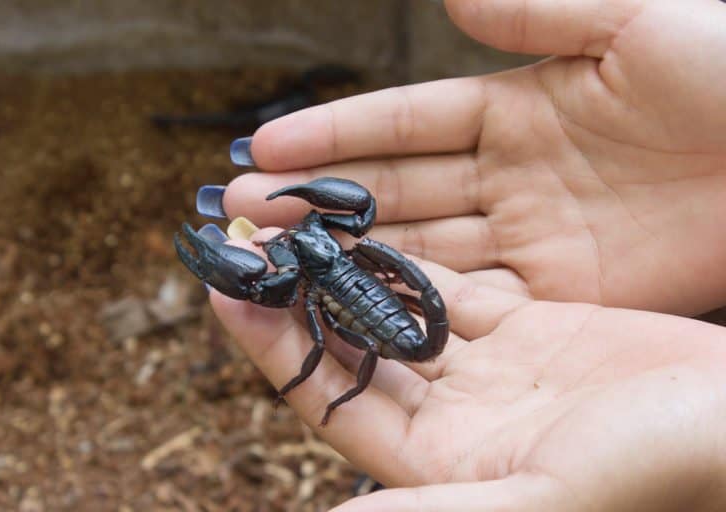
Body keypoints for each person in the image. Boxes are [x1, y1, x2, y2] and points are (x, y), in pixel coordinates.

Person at [207, 1, 726, 510]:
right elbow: (363, 226)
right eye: (295, 238)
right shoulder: (341, 256)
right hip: (381, 308)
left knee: (338, 336)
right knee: (352, 323)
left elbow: (321, 322)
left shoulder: (317, 271)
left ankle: (342, 386)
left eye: (301, 232)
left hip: (397, 335)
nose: (297, 232)